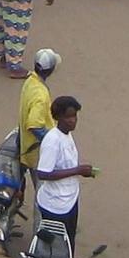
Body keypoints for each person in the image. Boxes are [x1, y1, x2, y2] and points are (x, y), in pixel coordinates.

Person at [32, 95, 93, 243]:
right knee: (57, 246)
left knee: (69, 241)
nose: (73, 120)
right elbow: (43, 173)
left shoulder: (67, 135)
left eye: (74, 116)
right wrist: (77, 170)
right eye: (68, 117)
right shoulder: (52, 141)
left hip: (69, 200)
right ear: (58, 117)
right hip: (55, 206)